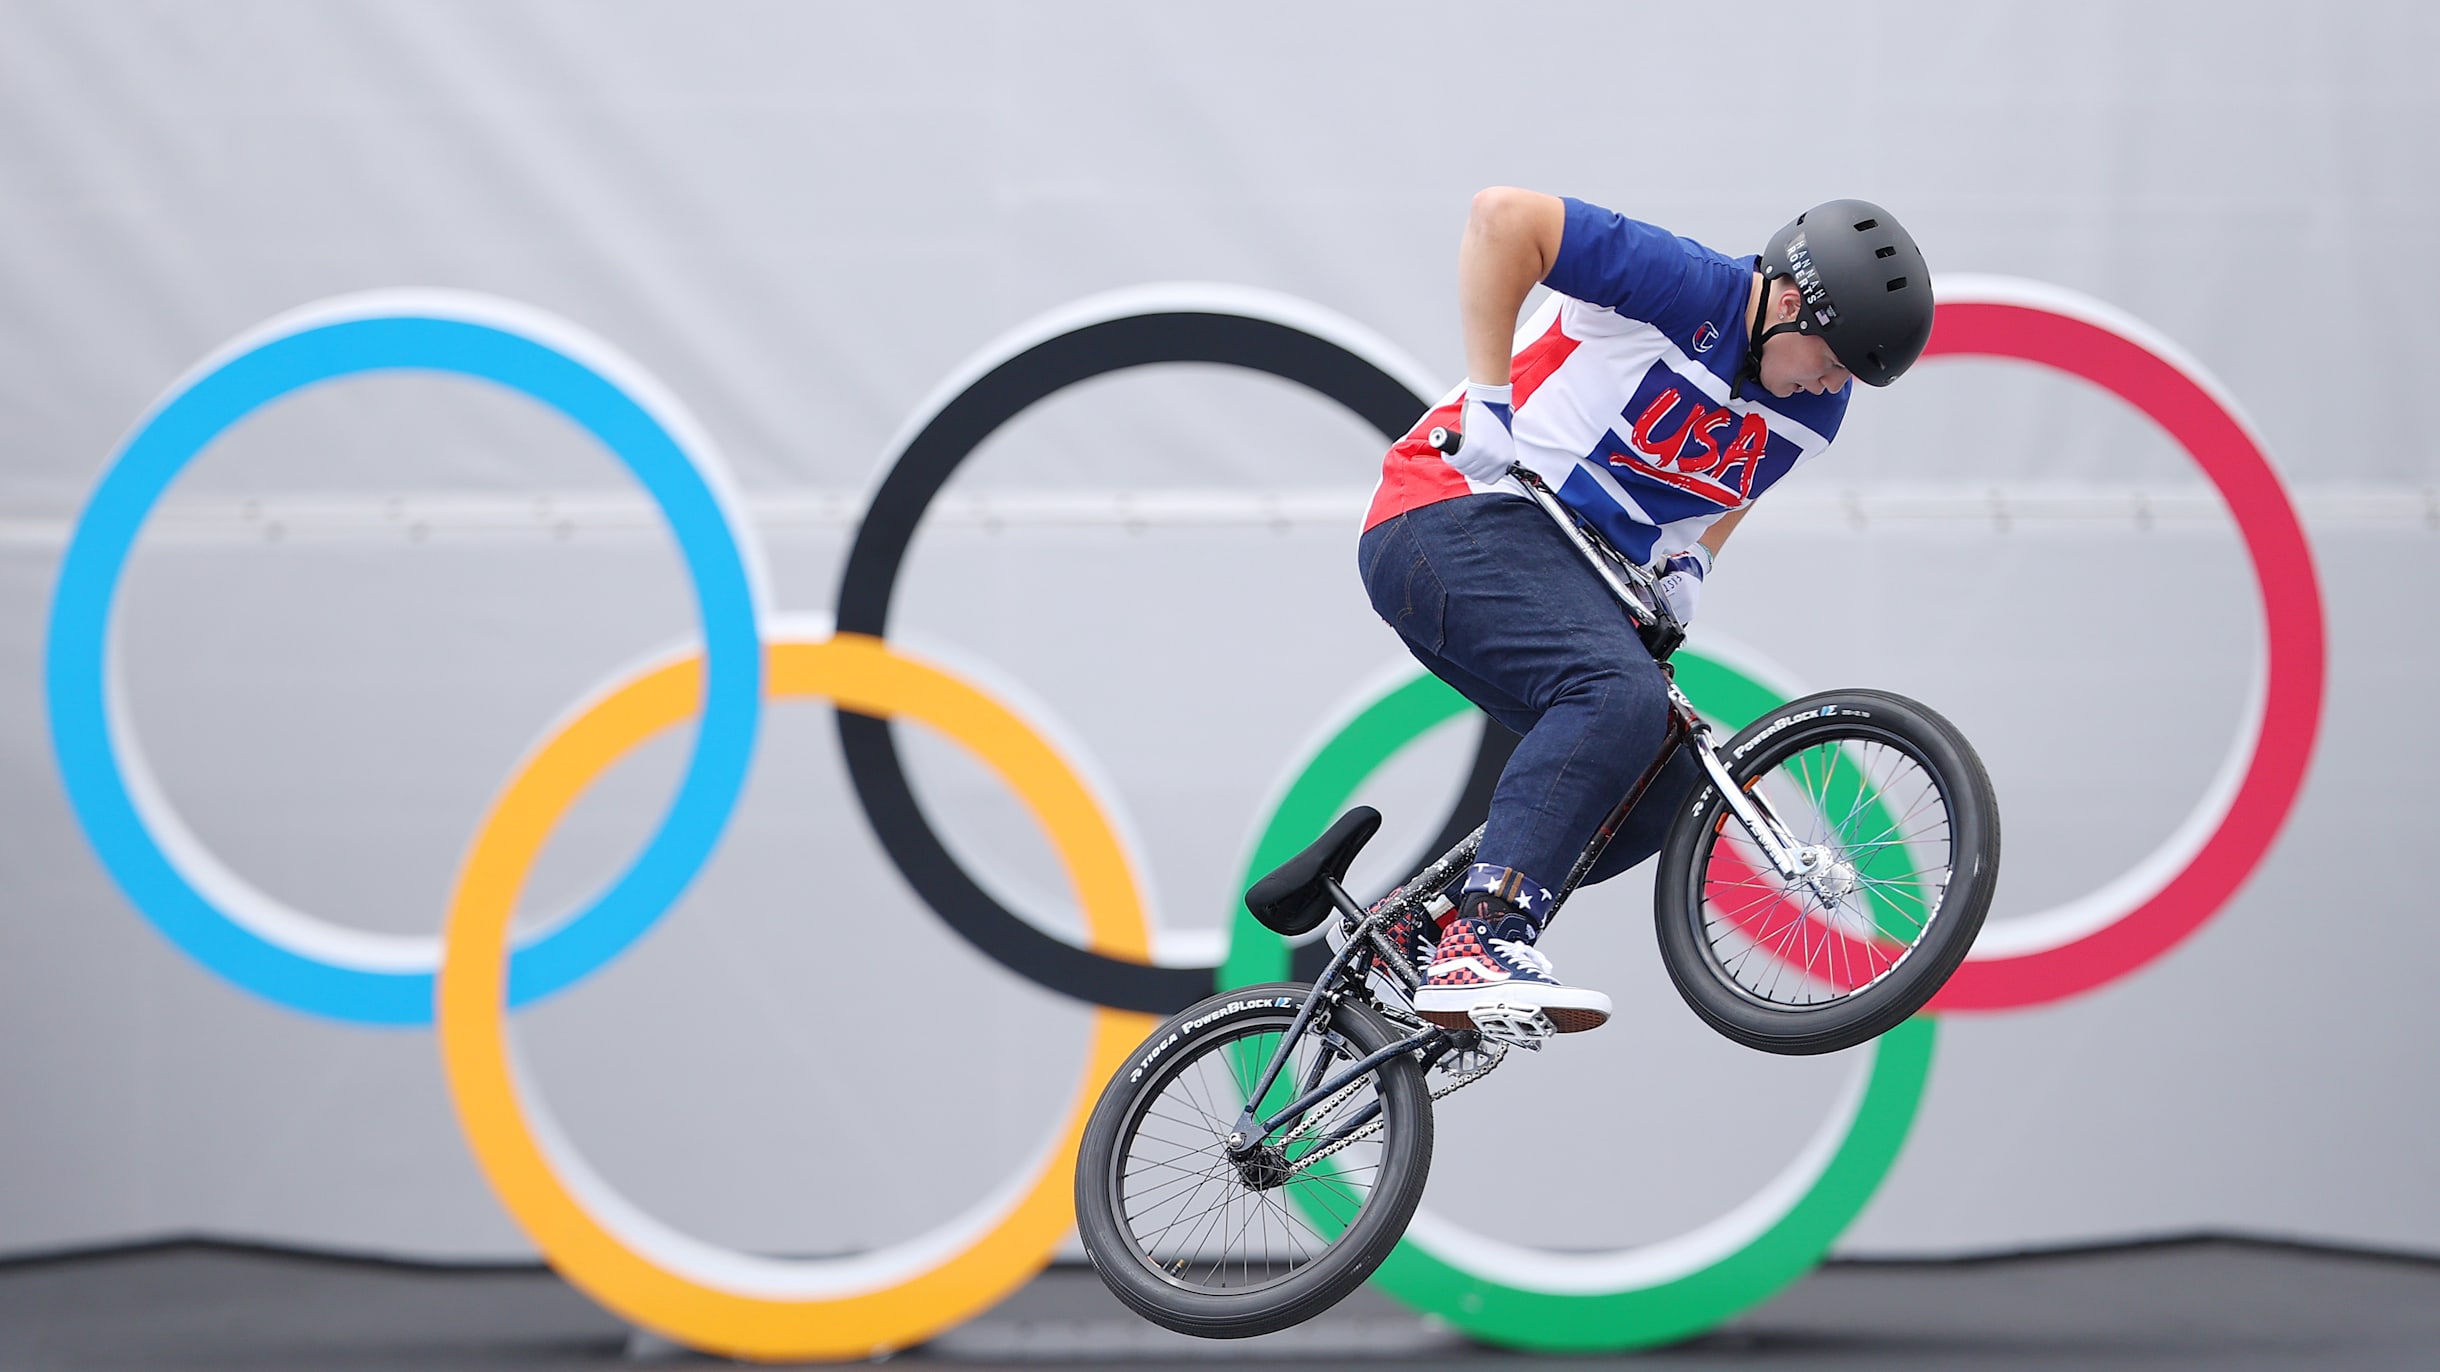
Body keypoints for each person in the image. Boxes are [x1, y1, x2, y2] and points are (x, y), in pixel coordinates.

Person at [1357, 188, 1933, 1033]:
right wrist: (1488, 396)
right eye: (1834, 354)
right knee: (1615, 693)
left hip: (1566, 560)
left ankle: (1422, 928)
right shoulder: (1685, 288)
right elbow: (1501, 219)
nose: (1834, 380)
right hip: (1448, 513)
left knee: (1667, 781)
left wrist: (1693, 558)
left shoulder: (1814, 403)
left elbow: (1729, 484)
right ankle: (1485, 937)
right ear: (1784, 301)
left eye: (1852, 373)